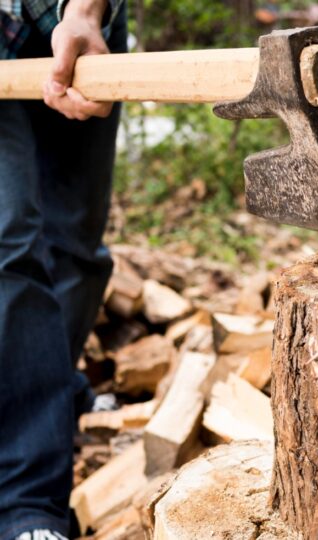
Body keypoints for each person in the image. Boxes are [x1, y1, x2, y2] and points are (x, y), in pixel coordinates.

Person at [0, 0, 126, 538]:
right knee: (8, 244)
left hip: (79, 22)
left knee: (76, 247)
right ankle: (25, 501)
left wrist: (86, 12)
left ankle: (47, 384)